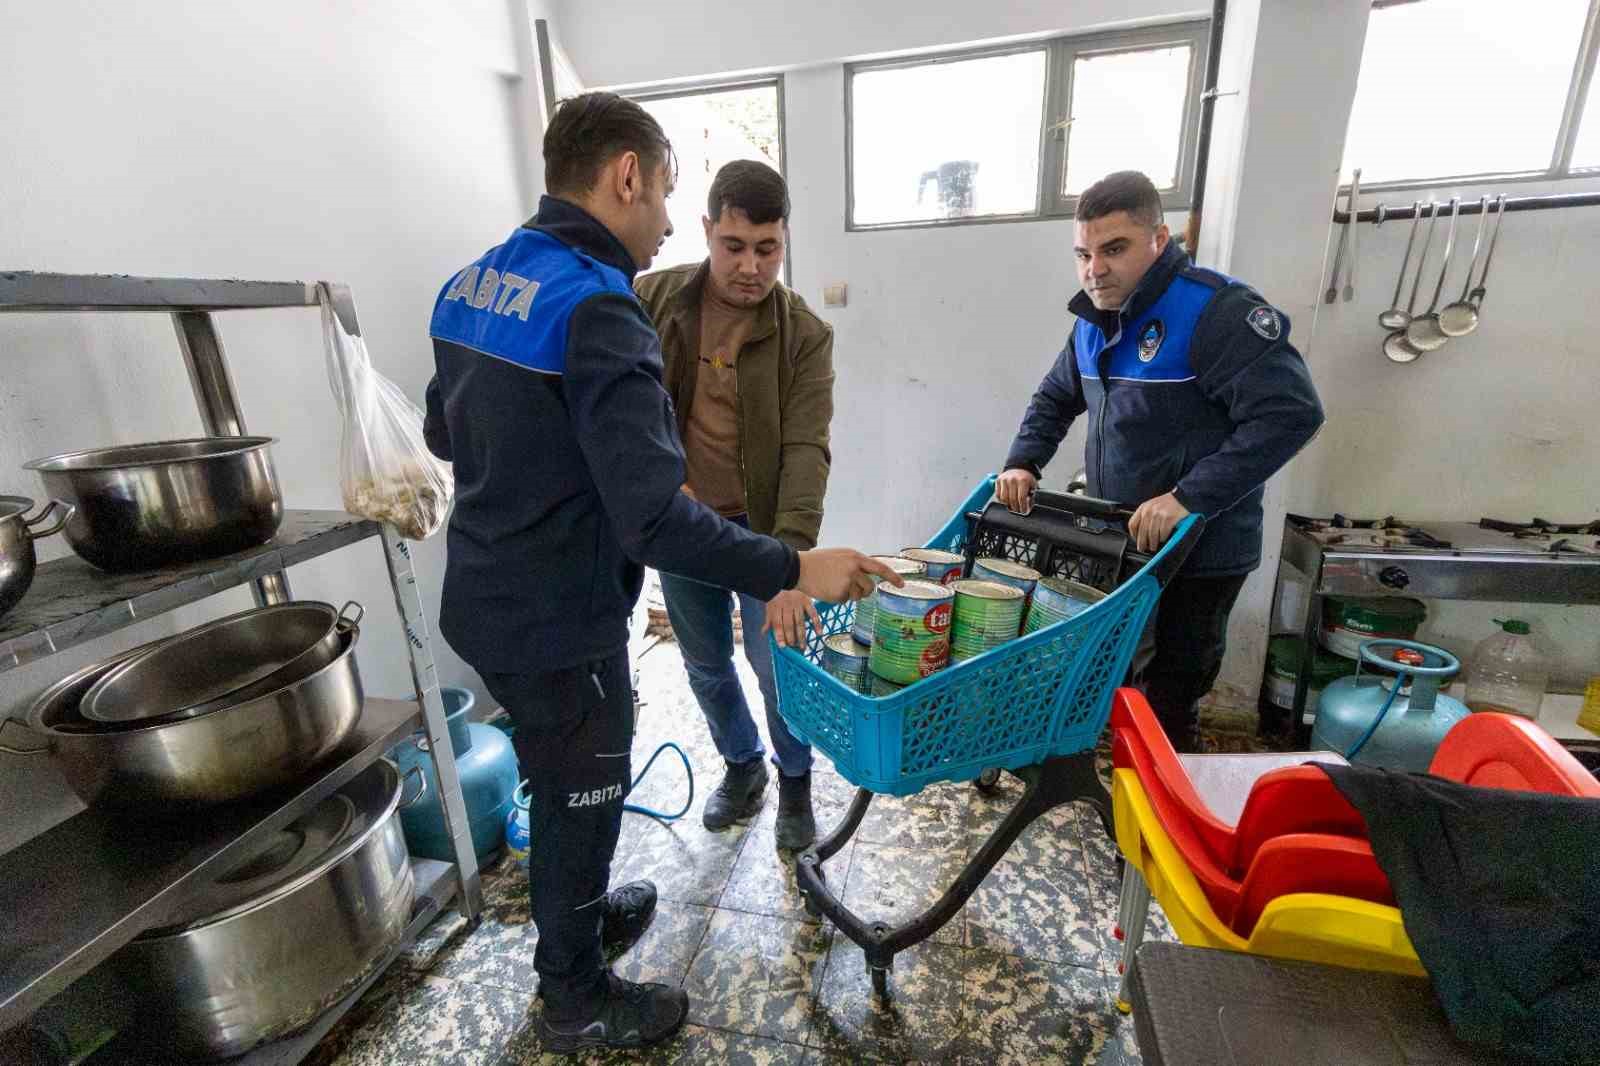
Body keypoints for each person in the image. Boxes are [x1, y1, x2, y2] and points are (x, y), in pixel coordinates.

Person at [422, 91, 898, 1053]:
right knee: (581, 793)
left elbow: (443, 428)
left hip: (484, 590)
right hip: (564, 608)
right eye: (671, 197)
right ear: (627, 176)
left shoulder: (475, 282)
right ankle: (577, 994)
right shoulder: (607, 303)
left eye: (766, 248)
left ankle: (585, 916)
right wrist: (795, 565)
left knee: (566, 775)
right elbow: (647, 511)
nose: (672, 223)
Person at [997, 170, 1324, 754]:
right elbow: (1054, 398)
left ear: (1159, 238)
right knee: (1118, 677)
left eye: (1113, 249)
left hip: (1199, 551)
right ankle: (1129, 793)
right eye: (1083, 254)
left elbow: (1290, 415)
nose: (1095, 269)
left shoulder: (1216, 312)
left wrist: (1187, 498)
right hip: (1120, 540)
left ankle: (1167, 827)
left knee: (1170, 697)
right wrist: (1024, 460)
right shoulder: (1095, 320)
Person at [634, 161, 832, 849]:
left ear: (784, 241)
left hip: (762, 527)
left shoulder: (804, 334)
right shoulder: (650, 297)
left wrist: (791, 564)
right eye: (734, 246)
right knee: (705, 661)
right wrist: (658, 483)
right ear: (707, 231)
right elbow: (629, 405)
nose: (750, 267)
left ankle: (796, 781)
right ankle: (742, 766)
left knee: (777, 664)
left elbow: (807, 447)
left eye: (767, 249)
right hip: (681, 521)